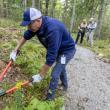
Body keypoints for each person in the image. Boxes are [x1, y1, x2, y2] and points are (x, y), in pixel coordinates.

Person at [10, 8, 76, 100]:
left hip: (67, 51)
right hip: (58, 49)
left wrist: (40, 75)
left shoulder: (52, 29)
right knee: (61, 67)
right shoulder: (35, 27)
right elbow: (25, 36)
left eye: (29, 24)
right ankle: (65, 85)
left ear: (37, 20)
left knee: (55, 74)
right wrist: (15, 50)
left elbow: (51, 58)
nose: (28, 27)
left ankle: (49, 99)